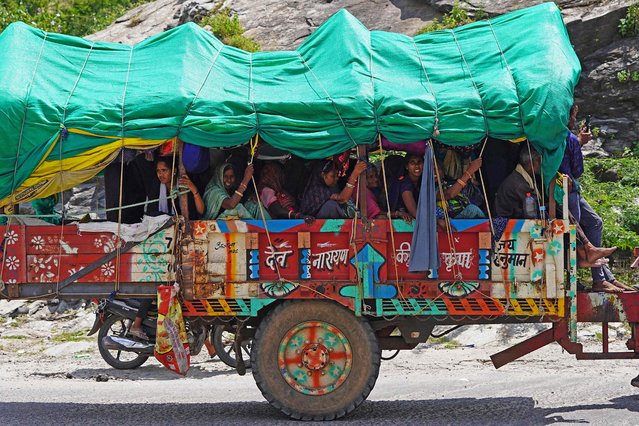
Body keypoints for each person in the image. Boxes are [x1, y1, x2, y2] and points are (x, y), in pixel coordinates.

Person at [560, 105, 634, 293]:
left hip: (567, 190)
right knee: (572, 234)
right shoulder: (568, 139)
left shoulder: (551, 137)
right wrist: (578, 143)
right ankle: (585, 280)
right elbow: (578, 171)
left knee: (595, 222)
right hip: (567, 191)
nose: (574, 120)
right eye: (573, 116)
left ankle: (604, 277)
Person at [300, 159, 367, 218]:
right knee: (330, 206)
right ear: (323, 175)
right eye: (332, 176)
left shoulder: (332, 187)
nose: (336, 178)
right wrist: (354, 174)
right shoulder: (316, 191)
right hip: (315, 225)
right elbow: (343, 199)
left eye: (337, 175)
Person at [494, 146, 542, 218]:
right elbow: (531, 210)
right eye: (538, 161)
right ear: (530, 163)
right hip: (508, 222)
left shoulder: (520, 177)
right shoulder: (519, 184)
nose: (540, 165)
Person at [388, 154, 424, 219]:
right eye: (412, 163)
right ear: (407, 167)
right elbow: (415, 213)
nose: (417, 166)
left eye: (419, 162)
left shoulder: (422, 182)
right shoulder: (405, 183)